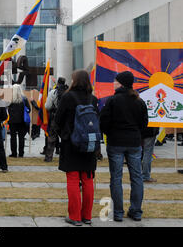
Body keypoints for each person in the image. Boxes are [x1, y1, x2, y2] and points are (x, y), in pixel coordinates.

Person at [100, 71, 149, 222]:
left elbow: (104, 122)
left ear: (121, 83)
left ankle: (119, 212)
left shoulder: (113, 100)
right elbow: (144, 123)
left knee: (116, 177)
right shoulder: (139, 101)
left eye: (115, 81)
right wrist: (135, 133)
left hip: (116, 142)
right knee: (137, 177)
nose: (113, 83)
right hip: (134, 142)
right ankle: (136, 211)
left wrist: (110, 133)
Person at [54, 70, 99, 226]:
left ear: (74, 81)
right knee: (88, 180)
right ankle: (87, 216)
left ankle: (75, 216)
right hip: (89, 144)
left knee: (73, 179)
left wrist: (63, 135)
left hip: (71, 143)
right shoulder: (93, 99)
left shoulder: (68, 97)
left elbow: (57, 119)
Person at [44, 77, 68, 162]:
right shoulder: (68, 92)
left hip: (55, 117)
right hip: (66, 119)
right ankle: (65, 157)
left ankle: (48, 157)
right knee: (65, 138)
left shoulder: (53, 92)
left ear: (57, 83)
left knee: (52, 137)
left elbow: (47, 106)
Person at [8, 84, 31, 158]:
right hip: (22, 121)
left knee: (13, 137)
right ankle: (21, 153)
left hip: (12, 121)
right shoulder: (24, 99)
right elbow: (29, 109)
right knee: (21, 137)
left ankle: (14, 153)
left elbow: (7, 110)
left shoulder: (10, 99)